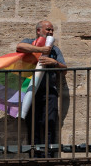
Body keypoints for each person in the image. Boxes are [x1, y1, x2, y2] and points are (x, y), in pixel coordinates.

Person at [15, 20, 67, 157]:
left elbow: (65, 70)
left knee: (49, 122)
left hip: (49, 91)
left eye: (52, 30)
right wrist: (41, 50)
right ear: (39, 31)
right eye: (48, 29)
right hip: (31, 91)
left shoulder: (55, 50)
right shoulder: (30, 42)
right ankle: (35, 155)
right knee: (33, 123)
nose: (50, 32)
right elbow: (19, 46)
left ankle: (49, 155)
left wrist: (54, 62)